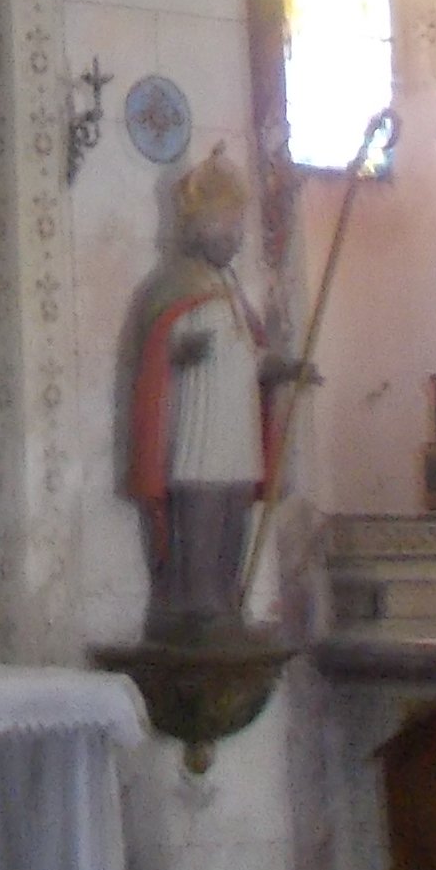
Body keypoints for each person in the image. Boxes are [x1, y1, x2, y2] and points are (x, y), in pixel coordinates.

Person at [113, 150, 283, 637]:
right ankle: (194, 606)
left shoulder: (230, 289)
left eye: (236, 227)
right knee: (202, 518)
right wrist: (179, 348)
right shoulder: (170, 284)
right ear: (196, 227)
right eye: (224, 227)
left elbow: (250, 357)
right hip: (197, 435)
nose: (234, 238)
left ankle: (228, 603)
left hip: (235, 436)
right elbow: (154, 352)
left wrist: (282, 367)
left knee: (233, 517)